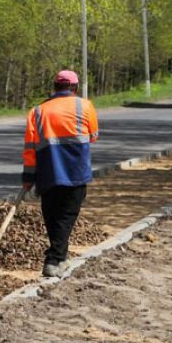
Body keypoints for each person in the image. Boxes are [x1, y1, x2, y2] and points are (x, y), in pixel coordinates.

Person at [21, 69, 98, 278]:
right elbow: (93, 136)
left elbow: (30, 148)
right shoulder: (85, 106)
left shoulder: (37, 111)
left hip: (48, 173)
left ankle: (59, 257)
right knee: (66, 217)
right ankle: (54, 260)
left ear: (55, 87)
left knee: (53, 217)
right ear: (75, 88)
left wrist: (28, 178)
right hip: (76, 172)